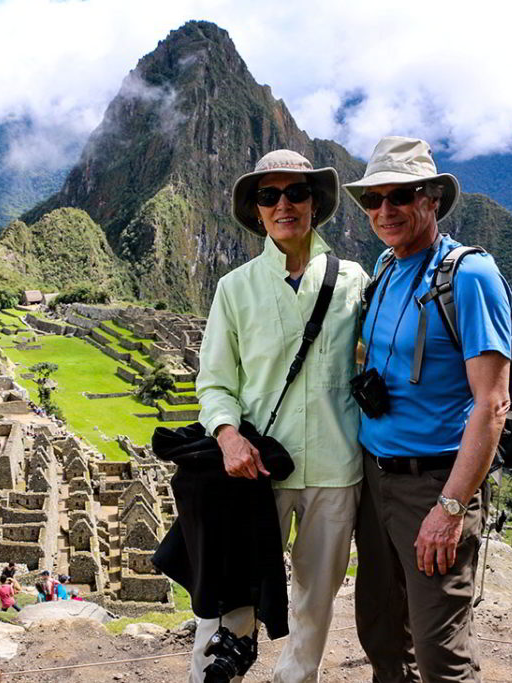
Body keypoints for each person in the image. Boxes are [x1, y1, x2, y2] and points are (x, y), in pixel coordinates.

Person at [342, 136, 511, 682]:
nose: (385, 211)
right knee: (383, 637)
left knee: (441, 655)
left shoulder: (469, 276)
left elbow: (492, 402)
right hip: (375, 477)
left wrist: (451, 509)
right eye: (373, 200)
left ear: (432, 199)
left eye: (401, 196)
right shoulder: (387, 267)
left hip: (433, 483)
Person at [195, 149, 367, 683]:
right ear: (258, 209)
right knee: (234, 595)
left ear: (314, 203)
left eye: (296, 192)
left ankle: (296, 679)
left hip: (336, 468)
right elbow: (215, 381)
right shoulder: (236, 287)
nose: (283, 204)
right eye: (269, 196)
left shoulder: (355, 282)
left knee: (316, 600)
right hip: (257, 469)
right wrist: (227, 436)